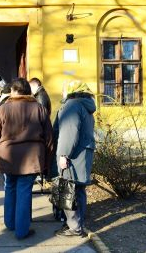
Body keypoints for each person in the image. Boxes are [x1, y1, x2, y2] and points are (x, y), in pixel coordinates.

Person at [0, 78, 54, 239]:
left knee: (10, 187)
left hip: (8, 157)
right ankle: (22, 230)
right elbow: (49, 138)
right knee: (24, 191)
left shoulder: (3, 109)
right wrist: (47, 158)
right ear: (28, 92)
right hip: (31, 158)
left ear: (13, 92)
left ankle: (10, 223)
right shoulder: (39, 109)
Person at [53, 80, 96, 237]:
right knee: (78, 190)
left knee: (67, 189)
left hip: (73, 155)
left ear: (71, 91)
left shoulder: (72, 105)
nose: (62, 92)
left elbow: (69, 133)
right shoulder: (86, 105)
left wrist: (64, 154)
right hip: (83, 153)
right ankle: (79, 223)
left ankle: (74, 227)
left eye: (64, 89)